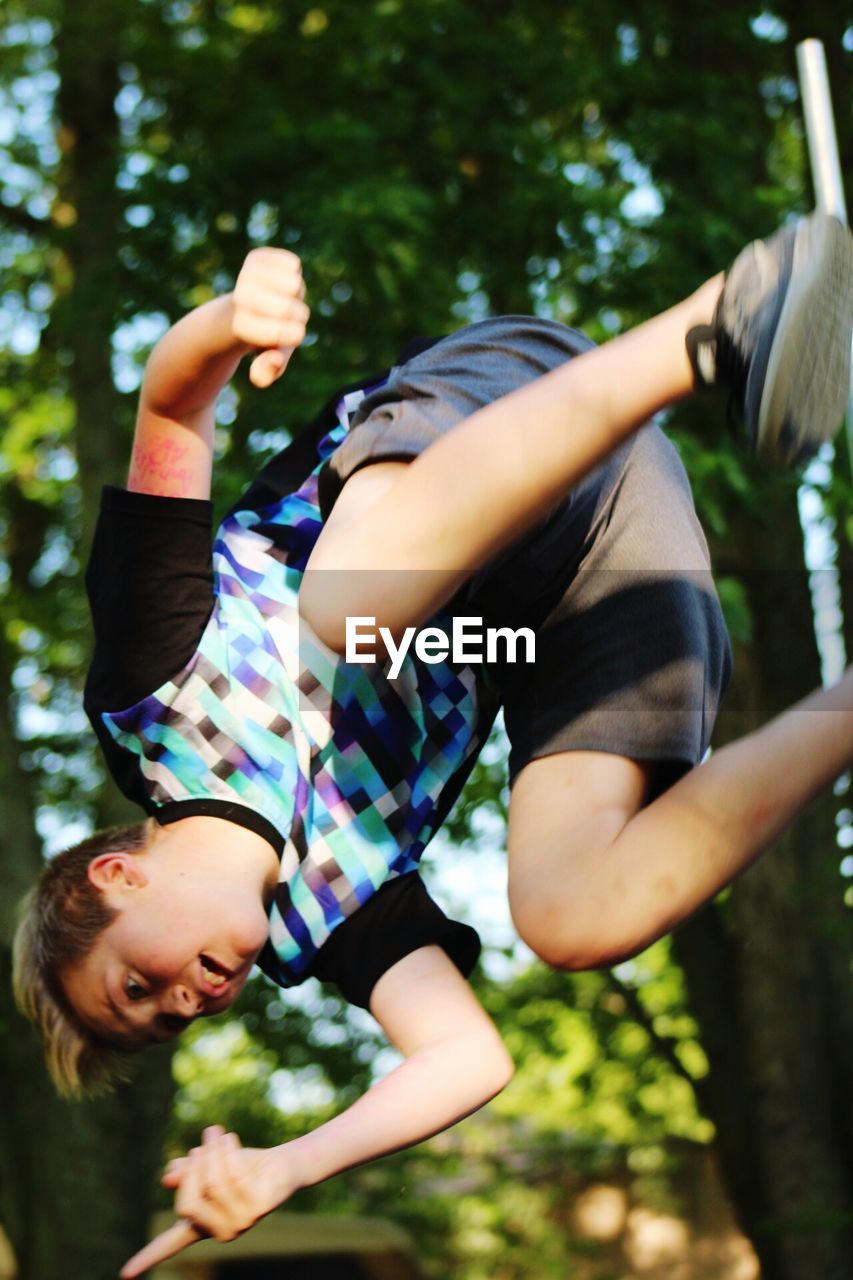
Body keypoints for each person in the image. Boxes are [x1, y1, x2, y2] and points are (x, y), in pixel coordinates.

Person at [12, 211, 853, 1278]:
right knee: (567, 912)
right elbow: (467, 1058)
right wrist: (287, 1166)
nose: (186, 1002)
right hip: (586, 585)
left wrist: (233, 320)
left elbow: (172, 408)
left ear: (116, 871)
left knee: (343, 608)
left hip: (489, 414)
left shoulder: (152, 693)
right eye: (166, 1021)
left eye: (139, 983)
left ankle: (711, 323)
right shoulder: (336, 913)